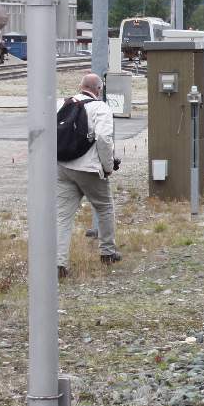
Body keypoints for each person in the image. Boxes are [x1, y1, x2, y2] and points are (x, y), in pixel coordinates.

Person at [55, 73, 120, 278]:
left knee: (62, 217)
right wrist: (108, 166)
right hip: (89, 169)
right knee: (104, 207)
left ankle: (59, 264)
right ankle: (107, 253)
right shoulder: (100, 108)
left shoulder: (62, 104)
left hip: (63, 167)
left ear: (79, 86)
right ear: (98, 90)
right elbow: (103, 138)